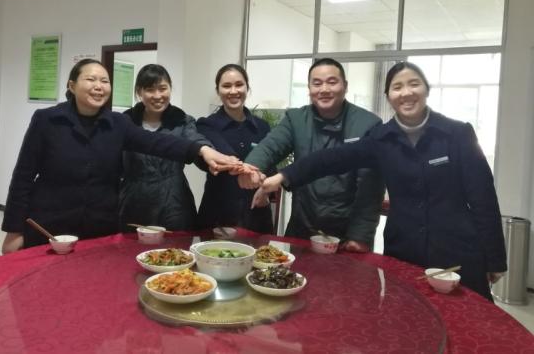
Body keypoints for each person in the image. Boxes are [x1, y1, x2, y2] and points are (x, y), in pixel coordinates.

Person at [252, 61, 506, 300]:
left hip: (458, 251)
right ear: (388, 96)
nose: (406, 93)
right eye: (397, 87)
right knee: (406, 318)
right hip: (404, 250)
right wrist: (284, 176)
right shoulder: (382, 139)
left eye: (414, 84)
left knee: (468, 322)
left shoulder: (458, 134)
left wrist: (495, 259)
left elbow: (483, 199)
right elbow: (331, 159)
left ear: (426, 89)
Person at [1, 59, 239, 253]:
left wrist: (201, 150)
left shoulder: (117, 123)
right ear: (72, 86)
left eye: (104, 81)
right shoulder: (47, 120)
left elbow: (156, 142)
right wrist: (14, 230)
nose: (99, 86)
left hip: (98, 227)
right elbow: (22, 177)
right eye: (91, 79)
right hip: (51, 225)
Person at [240, 58, 385, 250]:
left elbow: (370, 190)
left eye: (332, 82)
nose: (324, 89)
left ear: (345, 86)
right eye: (317, 83)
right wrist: (250, 168)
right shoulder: (297, 119)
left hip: (346, 235)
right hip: (302, 227)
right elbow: (270, 146)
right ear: (309, 88)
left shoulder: (368, 124)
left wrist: (360, 236)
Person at [119, 64, 209, 231]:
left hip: (174, 202)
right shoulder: (126, 121)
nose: (157, 95)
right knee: (132, 246)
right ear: (139, 92)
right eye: (150, 90)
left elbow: (195, 139)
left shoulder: (182, 120)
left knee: (177, 246)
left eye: (162, 88)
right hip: (134, 202)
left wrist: (207, 150)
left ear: (170, 88)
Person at [195, 64, 274, 233]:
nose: (233, 91)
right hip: (218, 216)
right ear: (218, 91)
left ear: (247, 87)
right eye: (226, 86)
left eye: (239, 84)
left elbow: (271, 166)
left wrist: (266, 189)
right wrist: (243, 167)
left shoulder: (262, 127)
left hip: (256, 214)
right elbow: (220, 154)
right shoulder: (206, 125)